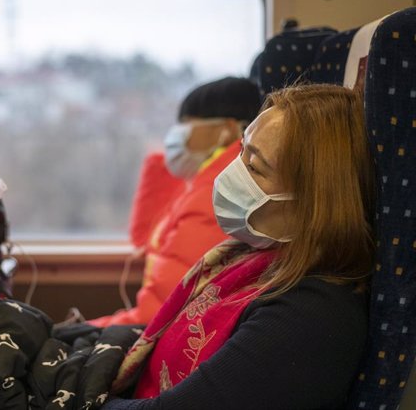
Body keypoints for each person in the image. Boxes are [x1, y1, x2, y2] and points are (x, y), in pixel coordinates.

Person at [101, 84, 375, 409]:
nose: (231, 174)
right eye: (240, 153)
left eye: (255, 167)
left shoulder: (309, 319)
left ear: (315, 201)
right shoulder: (256, 256)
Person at [90, 77, 261, 327]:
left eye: (187, 125)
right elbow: (145, 238)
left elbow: (157, 316)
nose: (175, 137)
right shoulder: (205, 182)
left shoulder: (220, 193)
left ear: (228, 128)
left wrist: (84, 330)